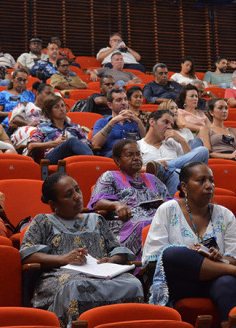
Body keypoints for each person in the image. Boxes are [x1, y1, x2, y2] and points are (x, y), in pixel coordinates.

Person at [143, 162, 236, 328]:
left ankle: (230, 324)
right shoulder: (168, 210)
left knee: (227, 282)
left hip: (215, 279)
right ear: (184, 186)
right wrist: (192, 257)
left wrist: (218, 259)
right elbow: (156, 258)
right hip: (180, 282)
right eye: (201, 181)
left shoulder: (225, 214)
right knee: (173, 254)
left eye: (211, 181)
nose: (208, 186)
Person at [21, 173, 143, 327]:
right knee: (76, 286)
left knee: (133, 283)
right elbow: (28, 255)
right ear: (54, 204)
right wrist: (63, 259)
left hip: (102, 273)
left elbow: (118, 250)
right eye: (69, 195)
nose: (77, 197)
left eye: (77, 190)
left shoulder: (96, 219)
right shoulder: (43, 221)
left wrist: (111, 260)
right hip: (61, 276)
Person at [89, 140, 172, 260]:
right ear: (117, 160)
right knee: (146, 224)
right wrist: (117, 205)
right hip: (125, 223)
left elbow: (169, 200)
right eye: (130, 155)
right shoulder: (110, 176)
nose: (136, 158)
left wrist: (162, 202)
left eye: (138, 154)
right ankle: (149, 264)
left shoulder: (151, 178)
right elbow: (97, 203)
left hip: (156, 217)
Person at [140, 110, 210, 192]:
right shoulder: (138, 145)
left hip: (176, 179)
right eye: (166, 122)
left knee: (203, 151)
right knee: (177, 172)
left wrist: (182, 141)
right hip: (152, 182)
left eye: (171, 125)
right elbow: (135, 168)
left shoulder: (173, 142)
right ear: (152, 122)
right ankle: (161, 168)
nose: (169, 127)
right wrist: (148, 168)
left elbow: (190, 165)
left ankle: (163, 168)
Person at [28, 94, 94, 163]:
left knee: (71, 142)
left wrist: (70, 143)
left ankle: (91, 162)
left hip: (74, 157)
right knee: (71, 141)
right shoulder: (43, 128)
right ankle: (92, 162)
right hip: (52, 157)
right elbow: (31, 145)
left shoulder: (75, 127)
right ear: (49, 112)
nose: (62, 109)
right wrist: (55, 143)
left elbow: (87, 145)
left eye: (63, 106)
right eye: (56, 107)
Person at [91, 88, 146, 157]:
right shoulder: (102, 122)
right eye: (119, 100)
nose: (124, 103)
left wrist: (138, 121)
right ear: (110, 105)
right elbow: (95, 144)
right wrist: (113, 121)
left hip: (135, 157)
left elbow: (146, 143)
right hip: (112, 158)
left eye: (125, 99)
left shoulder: (135, 122)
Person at [199, 98, 236, 163]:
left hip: (235, 156)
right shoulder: (205, 129)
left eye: (226, 108)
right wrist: (229, 156)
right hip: (220, 157)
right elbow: (208, 153)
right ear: (211, 112)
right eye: (220, 108)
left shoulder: (235, 130)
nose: (224, 111)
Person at [9, 82, 54, 148]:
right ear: (38, 93)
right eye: (48, 93)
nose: (51, 96)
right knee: (37, 132)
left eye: (52, 95)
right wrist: (28, 123)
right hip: (27, 130)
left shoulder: (52, 110)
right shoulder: (26, 105)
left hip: (46, 131)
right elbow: (15, 119)